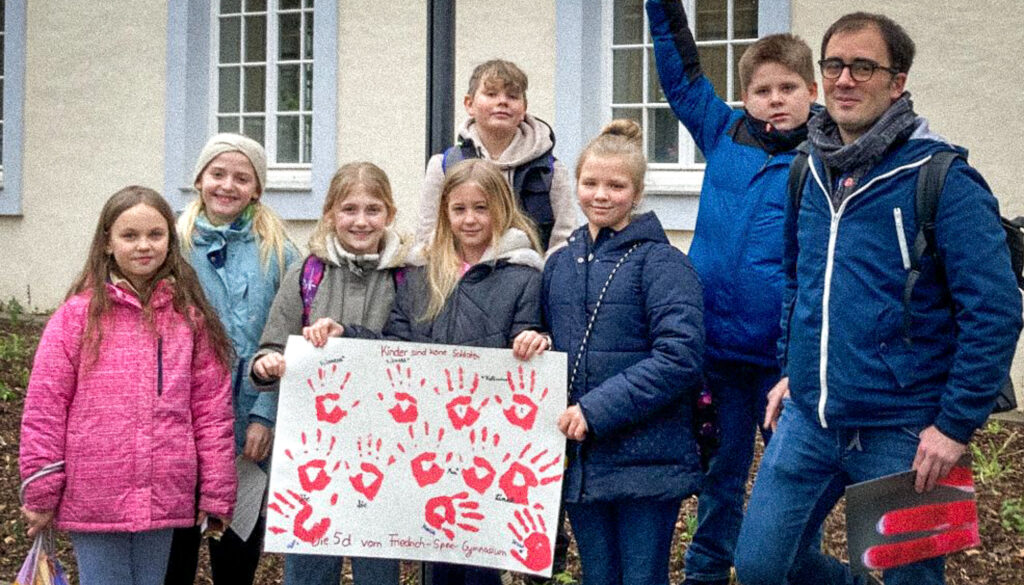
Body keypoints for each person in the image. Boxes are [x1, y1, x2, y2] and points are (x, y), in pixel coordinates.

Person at [733, 12, 1022, 585]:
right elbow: (799, 279)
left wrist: (954, 427)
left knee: (912, 580)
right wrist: (794, 368)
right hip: (810, 422)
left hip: (908, 431)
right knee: (762, 566)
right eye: (834, 65)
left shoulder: (942, 178)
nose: (844, 79)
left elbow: (995, 311)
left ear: (897, 81)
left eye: (863, 66)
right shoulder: (807, 172)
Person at [644, 2, 820, 583]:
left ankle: (795, 568)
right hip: (718, 351)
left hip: (786, 359)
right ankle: (706, 572)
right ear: (746, 97)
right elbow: (680, 74)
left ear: (811, 90)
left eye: (788, 87)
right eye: (763, 89)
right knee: (721, 474)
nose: (775, 98)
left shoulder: (828, 155)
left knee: (793, 481)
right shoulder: (721, 129)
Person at [308, 158, 544, 585]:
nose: (470, 219)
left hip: (486, 445)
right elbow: (398, 347)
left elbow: (528, 343)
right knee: (434, 556)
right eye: (459, 209)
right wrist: (347, 334)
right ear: (444, 213)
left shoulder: (525, 276)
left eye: (481, 208)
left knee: (480, 559)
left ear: (502, 209)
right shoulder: (420, 274)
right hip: (426, 445)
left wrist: (534, 341)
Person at [514, 120, 705, 585]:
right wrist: (537, 339)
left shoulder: (663, 264)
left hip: (648, 459)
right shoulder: (559, 264)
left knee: (642, 578)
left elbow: (679, 356)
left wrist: (596, 410)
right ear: (575, 185)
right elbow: (555, 337)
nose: (601, 194)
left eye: (616, 185)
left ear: (636, 192)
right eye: (590, 183)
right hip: (584, 462)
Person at [19, 186, 236, 585]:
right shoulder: (76, 318)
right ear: (107, 242)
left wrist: (216, 489)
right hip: (96, 491)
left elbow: (211, 411)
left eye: (155, 235)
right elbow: (45, 407)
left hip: (166, 489)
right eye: (130, 235)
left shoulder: (188, 318)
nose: (144, 246)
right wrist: (42, 488)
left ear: (170, 241)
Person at [250, 161, 407, 585]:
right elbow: (271, 345)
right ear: (330, 214)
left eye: (373, 210)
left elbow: (415, 352)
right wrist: (266, 366)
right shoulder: (307, 273)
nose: (360, 220)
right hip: (312, 449)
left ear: (389, 214)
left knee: (378, 568)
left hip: (384, 446)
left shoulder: (409, 275)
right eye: (349, 209)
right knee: (309, 566)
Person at [167, 133, 299, 585]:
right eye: (217, 174)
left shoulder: (279, 250)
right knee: (176, 548)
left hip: (249, 422)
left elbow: (289, 337)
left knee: (237, 549)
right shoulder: (172, 246)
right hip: (180, 421)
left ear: (257, 188)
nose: (228, 185)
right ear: (199, 179)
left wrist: (266, 414)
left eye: (242, 178)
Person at [415, 58, 575, 253]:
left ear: (524, 108)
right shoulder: (444, 166)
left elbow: (564, 241)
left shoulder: (550, 170)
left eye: (512, 96)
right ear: (469, 104)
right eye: (491, 94)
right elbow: (428, 239)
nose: (502, 101)